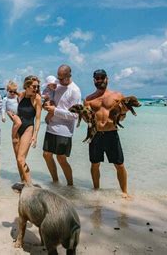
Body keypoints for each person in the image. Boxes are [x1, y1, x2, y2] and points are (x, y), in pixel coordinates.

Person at [84, 69, 129, 198]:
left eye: (102, 78)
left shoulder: (117, 96)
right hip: (95, 134)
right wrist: (83, 114)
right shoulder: (88, 99)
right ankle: (96, 191)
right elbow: (88, 119)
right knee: (94, 163)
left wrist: (124, 112)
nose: (99, 80)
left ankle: (125, 192)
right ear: (94, 80)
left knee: (119, 164)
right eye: (97, 78)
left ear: (107, 79)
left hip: (111, 133)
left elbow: (121, 118)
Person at [42, 65, 81, 186]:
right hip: (51, 126)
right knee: (46, 155)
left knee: (61, 158)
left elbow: (75, 116)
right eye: (58, 77)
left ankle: (70, 186)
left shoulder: (74, 90)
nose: (59, 80)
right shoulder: (57, 84)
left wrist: (55, 111)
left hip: (64, 130)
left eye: (62, 78)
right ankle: (55, 182)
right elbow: (46, 95)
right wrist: (46, 105)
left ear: (69, 75)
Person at [15, 75, 42, 184]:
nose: (36, 89)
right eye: (34, 86)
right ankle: (23, 183)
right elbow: (18, 112)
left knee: (20, 159)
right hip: (16, 129)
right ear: (27, 86)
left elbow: (38, 119)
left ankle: (30, 185)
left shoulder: (37, 99)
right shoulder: (21, 95)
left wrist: (35, 135)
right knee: (18, 159)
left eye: (37, 87)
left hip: (28, 128)